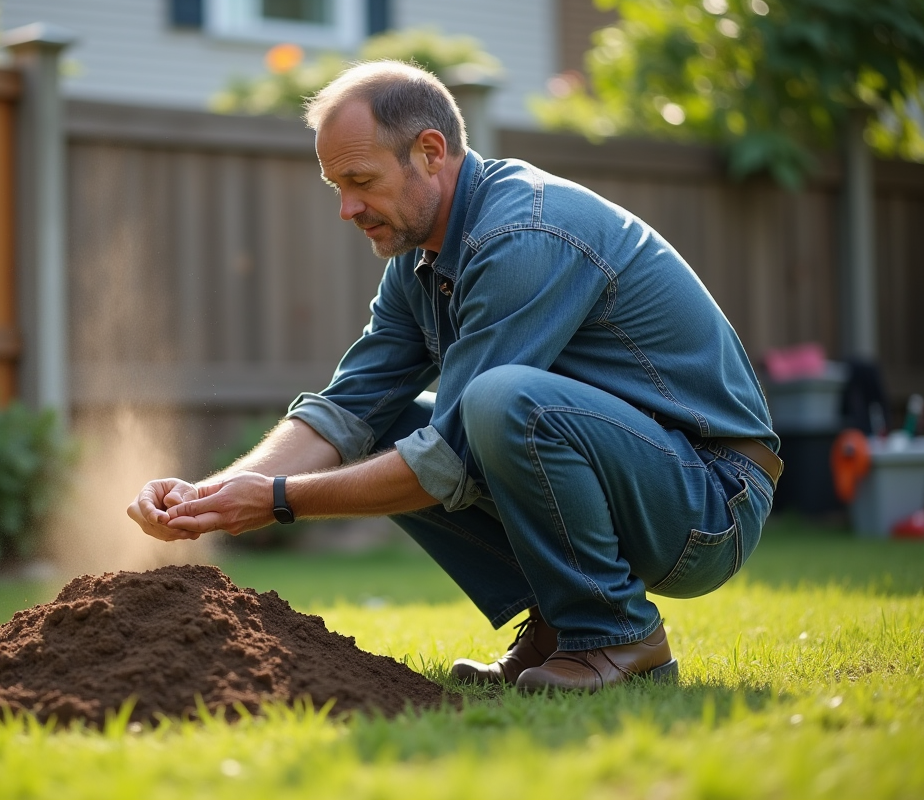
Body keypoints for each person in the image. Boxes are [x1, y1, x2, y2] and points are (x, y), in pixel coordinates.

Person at [127, 61, 781, 694]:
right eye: (337, 187)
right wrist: (209, 494)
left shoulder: (522, 235)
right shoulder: (419, 263)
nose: (347, 208)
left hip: (709, 498)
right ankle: (558, 624)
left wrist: (279, 500)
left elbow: (449, 457)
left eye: (361, 179)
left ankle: (613, 633)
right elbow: (347, 409)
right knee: (401, 420)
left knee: (501, 402)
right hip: (641, 476)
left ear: (431, 151)